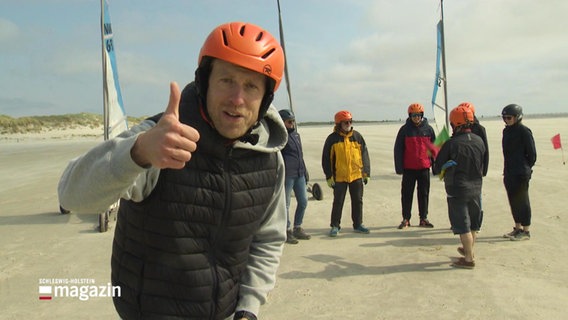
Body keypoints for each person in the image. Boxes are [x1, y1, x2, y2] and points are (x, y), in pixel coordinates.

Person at [58, 22, 287, 320]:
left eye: (251, 86)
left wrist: (248, 308)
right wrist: (137, 152)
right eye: (226, 80)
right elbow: (72, 195)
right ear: (205, 82)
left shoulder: (268, 160)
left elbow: (267, 239)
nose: (237, 99)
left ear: (265, 98)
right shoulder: (159, 140)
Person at [434, 104, 486, 269]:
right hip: (476, 187)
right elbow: (484, 164)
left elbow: (436, 167)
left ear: (454, 124)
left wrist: (443, 165)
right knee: (474, 223)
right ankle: (468, 249)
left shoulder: (451, 143)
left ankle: (469, 259)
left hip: (457, 188)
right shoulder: (479, 141)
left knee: (463, 224)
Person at [321, 110, 371, 237]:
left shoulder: (357, 137)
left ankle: (358, 224)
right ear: (339, 124)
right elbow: (326, 159)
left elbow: (364, 155)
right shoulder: (332, 139)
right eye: (345, 122)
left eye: (350, 121)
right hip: (340, 177)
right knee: (338, 201)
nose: (348, 124)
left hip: (356, 175)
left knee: (357, 201)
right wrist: (329, 176)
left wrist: (366, 173)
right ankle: (335, 225)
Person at [393, 103, 437, 229]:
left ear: (422, 115)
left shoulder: (428, 130)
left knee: (423, 194)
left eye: (418, 115)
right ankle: (406, 219)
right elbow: (398, 149)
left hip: (424, 167)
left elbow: (434, 149)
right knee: (407, 194)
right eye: (414, 115)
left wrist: (435, 167)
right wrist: (399, 168)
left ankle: (423, 218)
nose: (416, 117)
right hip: (409, 168)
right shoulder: (404, 130)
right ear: (410, 116)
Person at [501, 104, 537, 241]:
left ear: (517, 117)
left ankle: (526, 230)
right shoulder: (507, 131)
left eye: (509, 118)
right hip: (509, 172)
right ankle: (517, 228)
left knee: (523, 201)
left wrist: (525, 167)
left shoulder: (524, 131)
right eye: (504, 118)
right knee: (513, 200)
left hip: (521, 172)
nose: (506, 120)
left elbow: (532, 154)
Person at [278, 109, 311, 244]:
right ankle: (286, 230)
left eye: (293, 121)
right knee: (285, 205)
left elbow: (300, 154)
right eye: (289, 121)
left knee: (303, 201)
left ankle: (298, 227)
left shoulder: (296, 136)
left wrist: (305, 170)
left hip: (299, 174)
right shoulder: (280, 137)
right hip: (287, 175)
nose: (292, 124)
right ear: (282, 122)